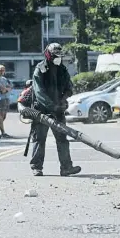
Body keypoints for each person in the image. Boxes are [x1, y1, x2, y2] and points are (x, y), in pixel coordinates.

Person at [29, 42, 81, 177]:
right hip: (42, 111)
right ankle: (36, 167)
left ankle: (66, 168)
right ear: (48, 54)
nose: (58, 58)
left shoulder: (62, 69)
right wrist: (52, 106)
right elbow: (39, 93)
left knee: (62, 139)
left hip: (58, 111)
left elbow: (69, 87)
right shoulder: (39, 69)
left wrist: (63, 101)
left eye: (59, 56)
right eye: (55, 56)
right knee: (39, 139)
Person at [0, 64, 12, 139]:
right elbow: (1, 89)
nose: (2, 71)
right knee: (0, 115)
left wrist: (6, 89)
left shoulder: (5, 79)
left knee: (3, 117)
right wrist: (5, 89)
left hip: (6, 98)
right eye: (0, 70)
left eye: (3, 70)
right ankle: (3, 133)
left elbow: (9, 87)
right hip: (0, 99)